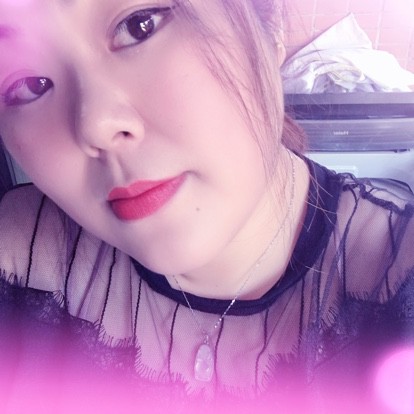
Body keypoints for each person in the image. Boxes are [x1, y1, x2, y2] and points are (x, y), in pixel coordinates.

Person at [0, 0, 413, 412]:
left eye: (139, 25)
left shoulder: (397, 278)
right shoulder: (17, 258)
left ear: (266, 25)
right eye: (29, 85)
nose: (96, 126)